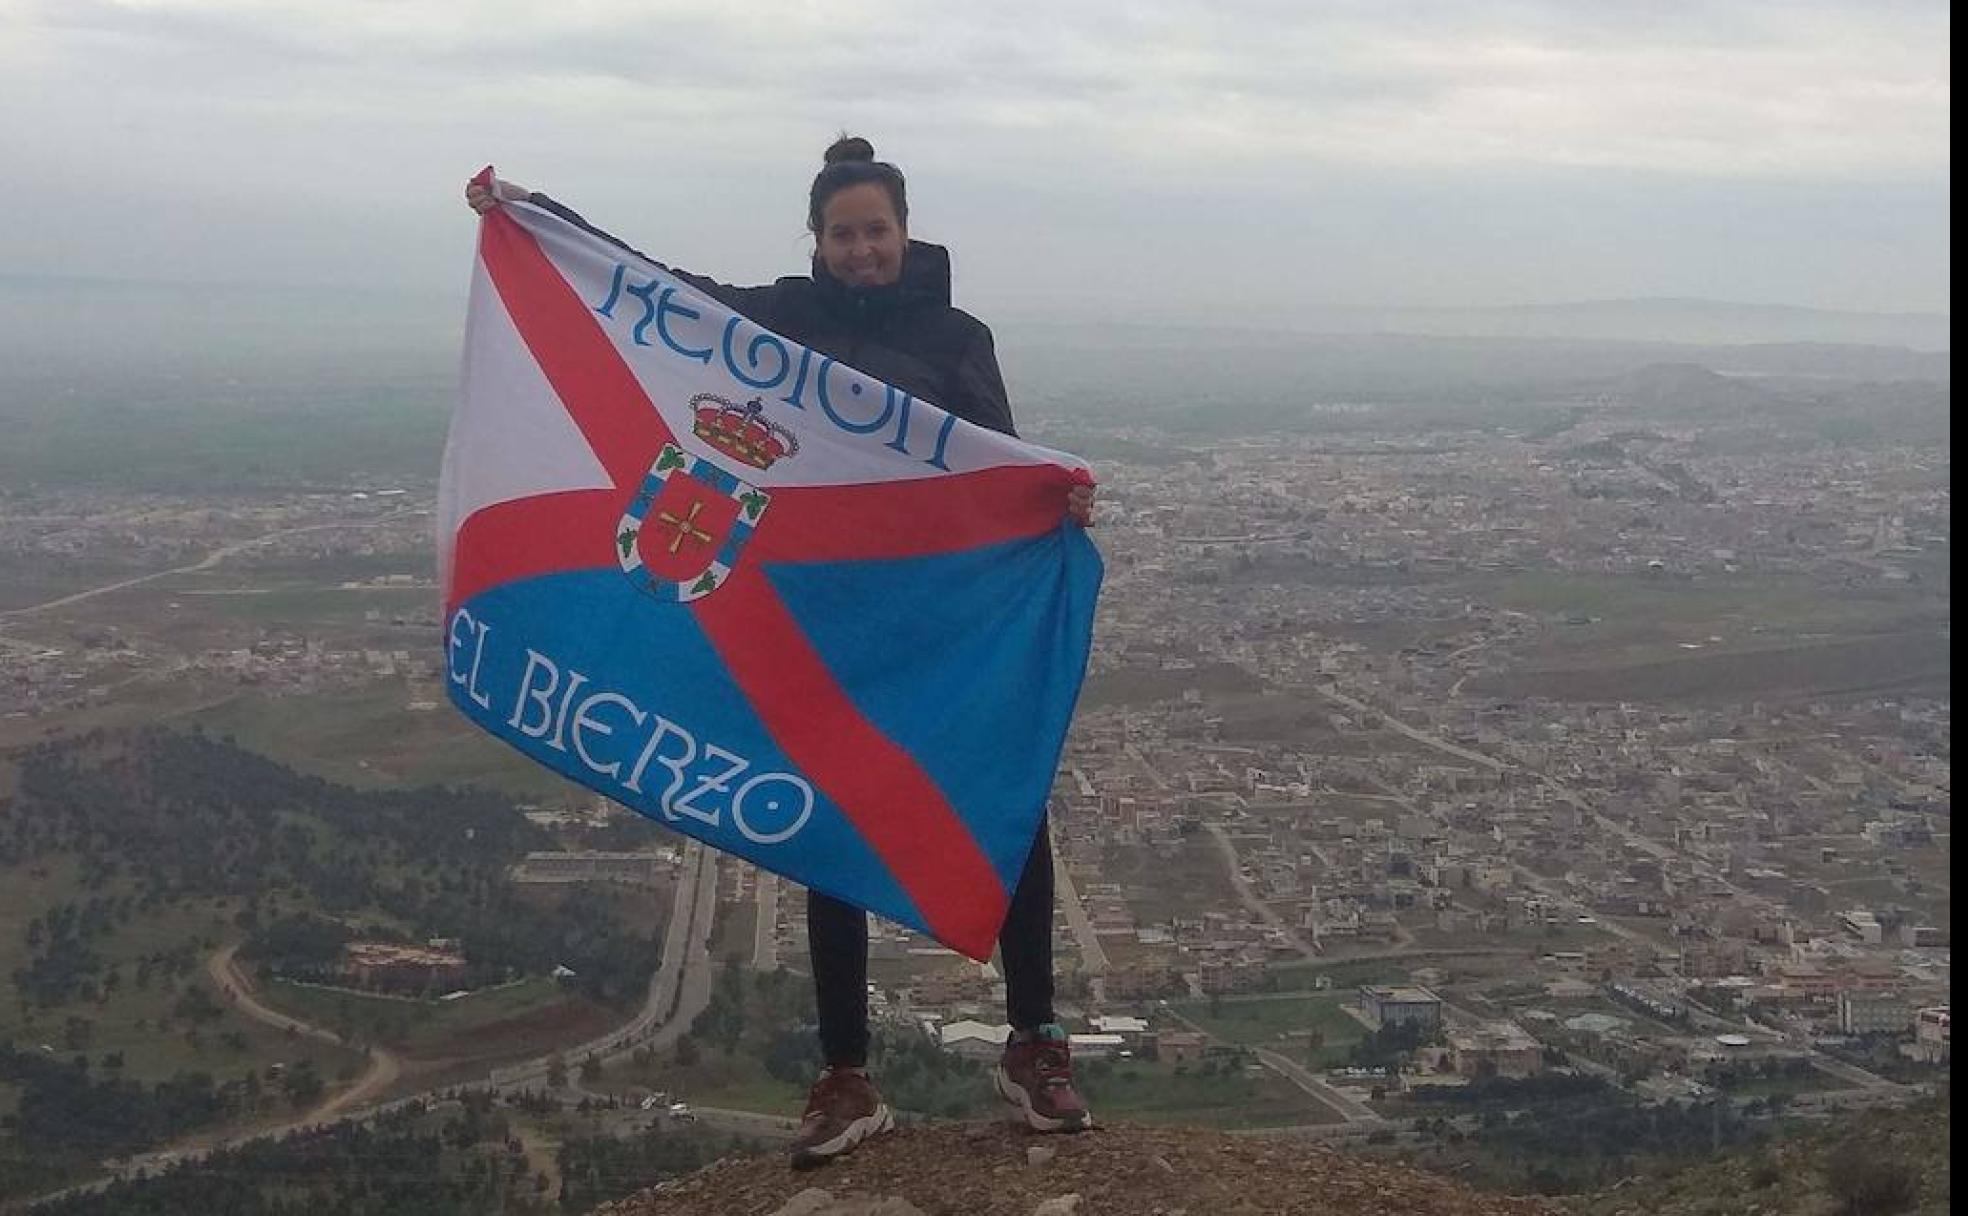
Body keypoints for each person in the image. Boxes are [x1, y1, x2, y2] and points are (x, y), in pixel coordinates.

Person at [467, 136, 1096, 1167]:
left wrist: (1054, 498)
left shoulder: (957, 334)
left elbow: (1000, 459)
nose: (861, 249)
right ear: (818, 241)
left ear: (905, 233)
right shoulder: (781, 319)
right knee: (826, 831)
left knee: (1005, 803)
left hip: (935, 613)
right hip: (825, 618)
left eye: (876, 231)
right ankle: (846, 1074)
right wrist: (545, 221)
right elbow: (653, 292)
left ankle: (1034, 1042)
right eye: (843, 233)